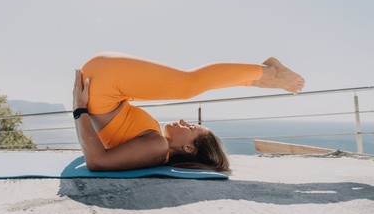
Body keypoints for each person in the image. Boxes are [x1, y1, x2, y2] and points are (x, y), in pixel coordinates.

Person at [72, 52, 305, 172]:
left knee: (187, 85)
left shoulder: (157, 148)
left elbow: (97, 161)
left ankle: (267, 73)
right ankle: (254, 80)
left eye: (191, 127)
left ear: (188, 148)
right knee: (179, 86)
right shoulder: (156, 145)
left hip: (102, 86)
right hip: (104, 88)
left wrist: (79, 109)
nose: (183, 120)